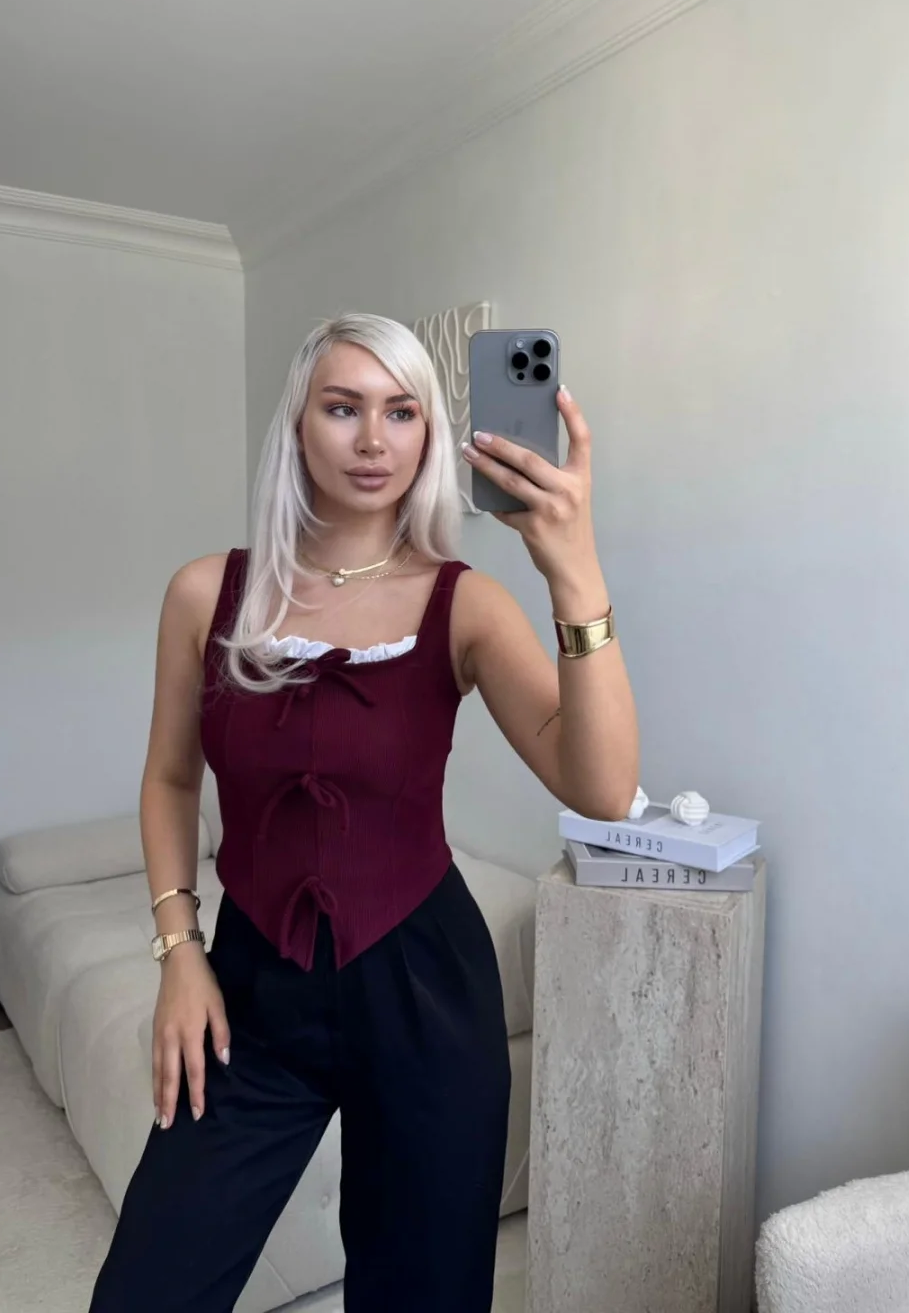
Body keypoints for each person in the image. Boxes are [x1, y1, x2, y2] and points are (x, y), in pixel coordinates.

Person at [88, 312, 638, 1312]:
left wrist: (576, 569)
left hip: (429, 992)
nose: (374, 439)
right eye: (343, 408)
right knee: (147, 1290)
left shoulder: (465, 605)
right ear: (298, 426)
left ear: (430, 435)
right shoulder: (206, 594)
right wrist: (179, 953)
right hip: (249, 990)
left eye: (402, 412)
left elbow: (599, 788)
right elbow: (170, 778)